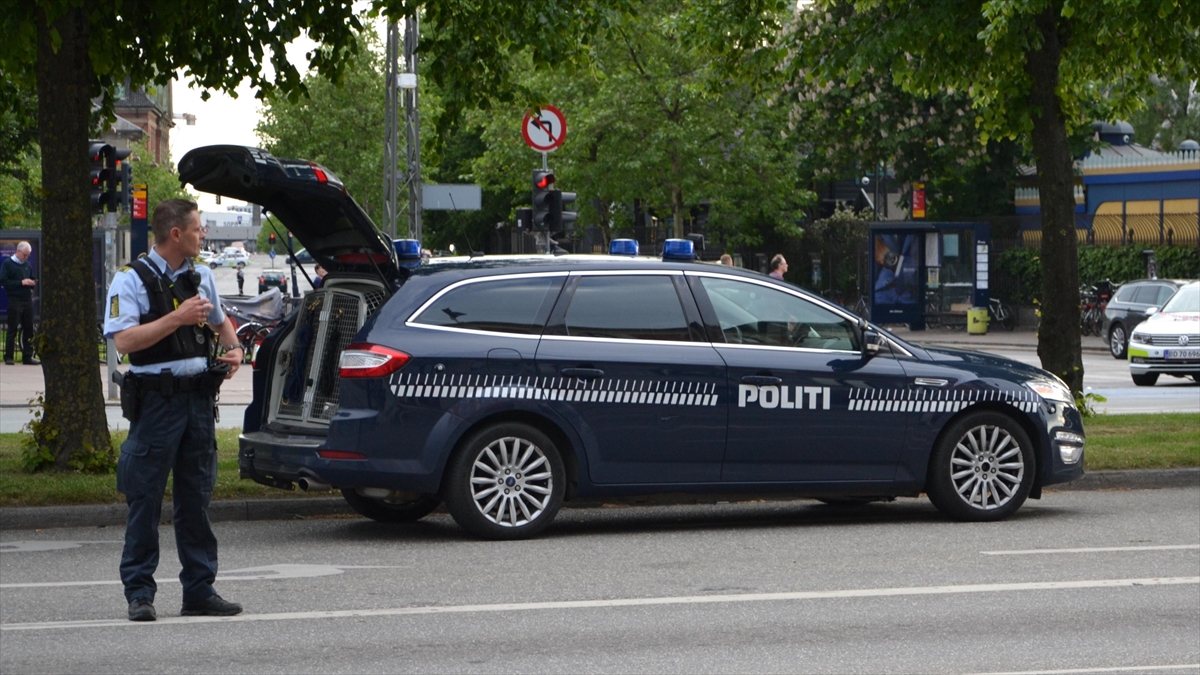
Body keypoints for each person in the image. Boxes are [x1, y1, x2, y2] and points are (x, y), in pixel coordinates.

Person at [104, 199, 244, 622]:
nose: (204, 235)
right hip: (157, 402)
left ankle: (199, 589)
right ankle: (140, 593)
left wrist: (234, 349)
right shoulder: (130, 279)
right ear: (176, 234)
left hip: (199, 400)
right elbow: (124, 342)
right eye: (199, 229)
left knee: (196, 497)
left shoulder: (201, 276)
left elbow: (221, 324)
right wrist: (178, 318)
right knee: (144, 497)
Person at [1, 241, 39, 366]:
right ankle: (9, 356)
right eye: (25, 255)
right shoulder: (8, 264)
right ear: (18, 251)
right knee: (12, 329)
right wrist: (21, 282)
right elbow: (4, 281)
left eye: (28, 255)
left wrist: (32, 282)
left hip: (27, 299)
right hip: (15, 299)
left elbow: (32, 277)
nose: (26, 257)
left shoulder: (27, 264)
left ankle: (27, 356)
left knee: (28, 329)